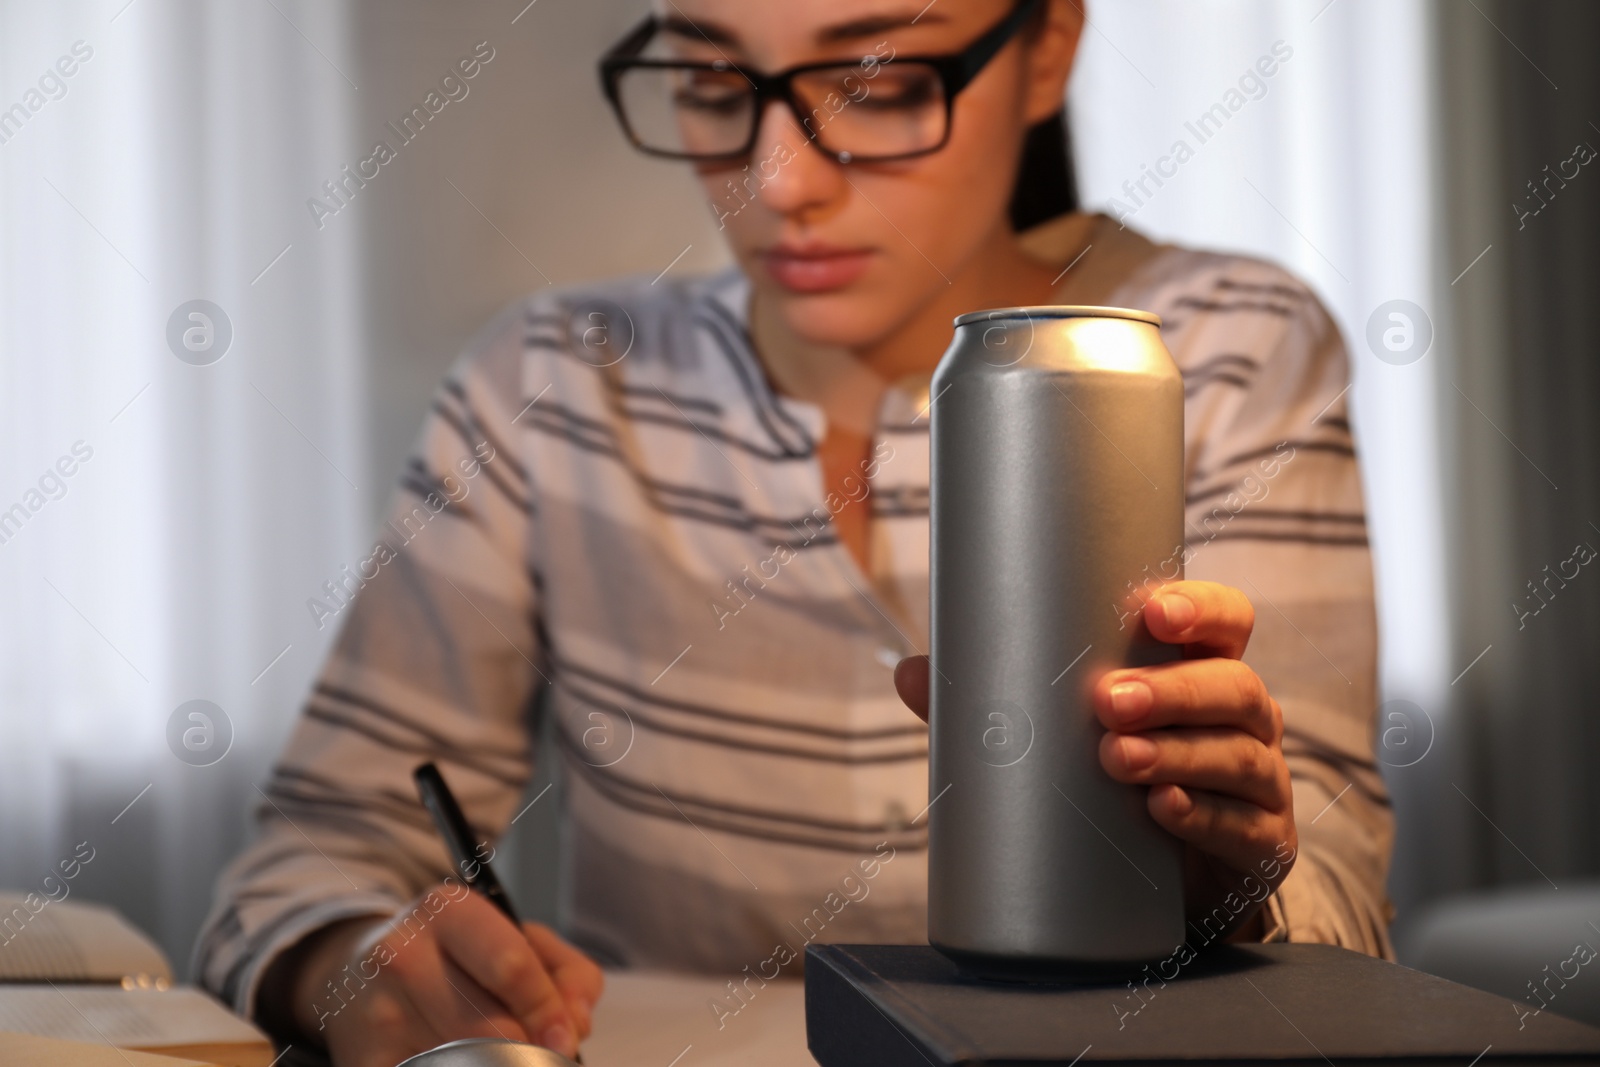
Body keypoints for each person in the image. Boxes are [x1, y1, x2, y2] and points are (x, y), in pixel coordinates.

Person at [195, 1, 1394, 1064]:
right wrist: (358, 968)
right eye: (716, 86)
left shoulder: (1225, 346)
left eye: (874, 85)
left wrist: (1232, 885)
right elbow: (307, 858)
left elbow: (1343, 903)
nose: (777, 181)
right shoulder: (555, 382)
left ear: (1046, 51)